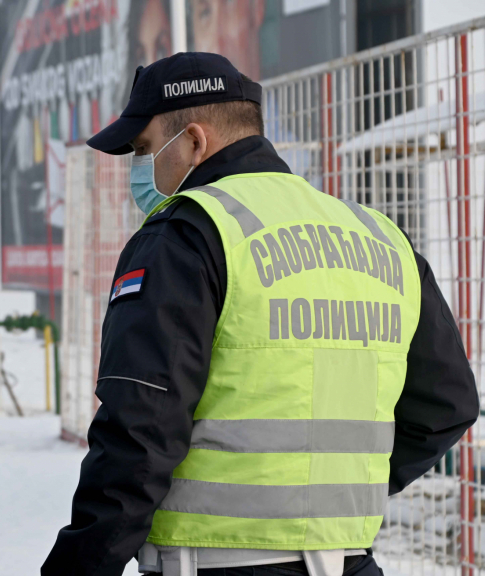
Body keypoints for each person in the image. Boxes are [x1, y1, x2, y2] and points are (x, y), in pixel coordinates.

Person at [41, 52, 479, 576]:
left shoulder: (186, 235)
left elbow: (140, 427)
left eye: (144, 148)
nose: (139, 168)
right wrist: (332, 494)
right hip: (352, 565)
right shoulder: (381, 238)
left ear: (195, 141)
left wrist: (79, 565)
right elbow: (448, 405)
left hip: (217, 563)